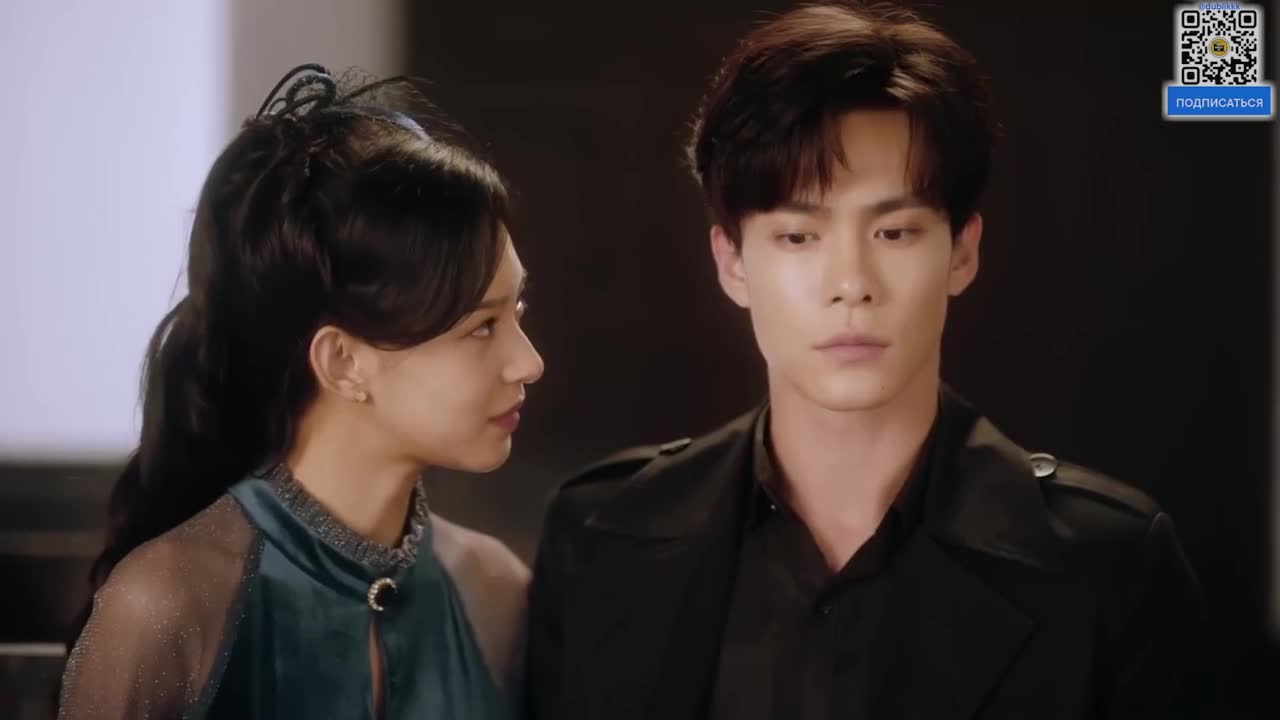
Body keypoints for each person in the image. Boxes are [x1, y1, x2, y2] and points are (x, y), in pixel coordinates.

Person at [525, 4, 1212, 719]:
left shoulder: (1111, 566)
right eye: (798, 237)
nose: (851, 283)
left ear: (962, 252)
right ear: (731, 263)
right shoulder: (601, 536)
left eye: (894, 232)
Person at [58, 64, 543, 720]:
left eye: (518, 311)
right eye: (482, 326)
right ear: (342, 361)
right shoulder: (169, 605)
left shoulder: (493, 592)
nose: (529, 363)